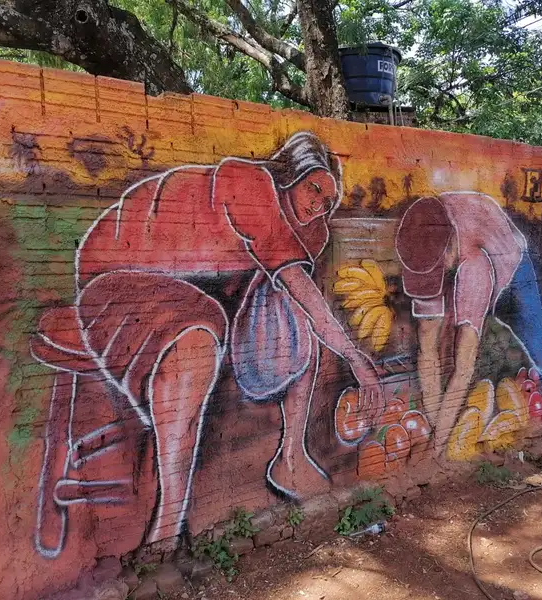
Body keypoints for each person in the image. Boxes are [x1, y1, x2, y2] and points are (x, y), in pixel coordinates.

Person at [34, 132, 384, 547]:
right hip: (118, 278)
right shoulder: (247, 184)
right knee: (196, 340)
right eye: (313, 188)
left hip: (201, 287)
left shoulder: (309, 232)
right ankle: (166, 530)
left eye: (327, 201)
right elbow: (295, 281)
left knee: (293, 312)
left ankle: (290, 457)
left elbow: (298, 294)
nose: (317, 205)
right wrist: (357, 360)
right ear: (289, 176)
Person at [395, 193, 542, 457]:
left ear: (450, 252)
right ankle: (440, 433)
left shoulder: (474, 265)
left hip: (511, 261)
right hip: (460, 252)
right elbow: (427, 349)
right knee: (429, 334)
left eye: (436, 272)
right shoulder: (417, 243)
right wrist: (439, 431)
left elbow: (464, 368)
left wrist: (438, 449)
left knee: (534, 332)